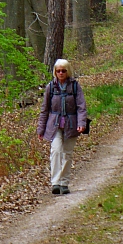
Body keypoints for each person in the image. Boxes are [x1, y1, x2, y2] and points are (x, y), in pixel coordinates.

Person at [37, 59, 87, 195]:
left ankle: (64, 183)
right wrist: (40, 129)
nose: (61, 73)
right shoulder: (50, 87)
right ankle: (55, 183)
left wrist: (81, 123)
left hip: (71, 125)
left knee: (67, 154)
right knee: (56, 151)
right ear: (55, 72)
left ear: (68, 71)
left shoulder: (75, 86)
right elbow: (44, 109)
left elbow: (81, 107)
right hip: (54, 125)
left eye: (63, 70)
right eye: (58, 71)